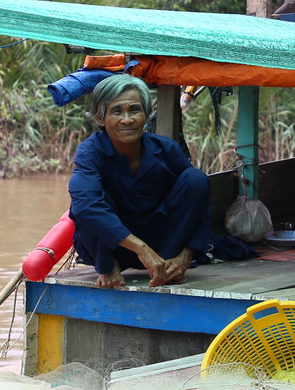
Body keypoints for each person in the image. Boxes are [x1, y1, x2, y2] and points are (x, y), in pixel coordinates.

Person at [69, 75, 231, 288]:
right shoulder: (90, 152)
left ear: (146, 115)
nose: (127, 120)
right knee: (89, 204)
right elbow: (85, 207)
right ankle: (110, 267)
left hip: (160, 246)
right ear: (101, 118)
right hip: (110, 248)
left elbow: (196, 204)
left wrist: (185, 257)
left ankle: (167, 266)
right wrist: (141, 249)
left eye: (134, 110)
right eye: (117, 111)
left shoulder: (166, 149)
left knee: (196, 180)